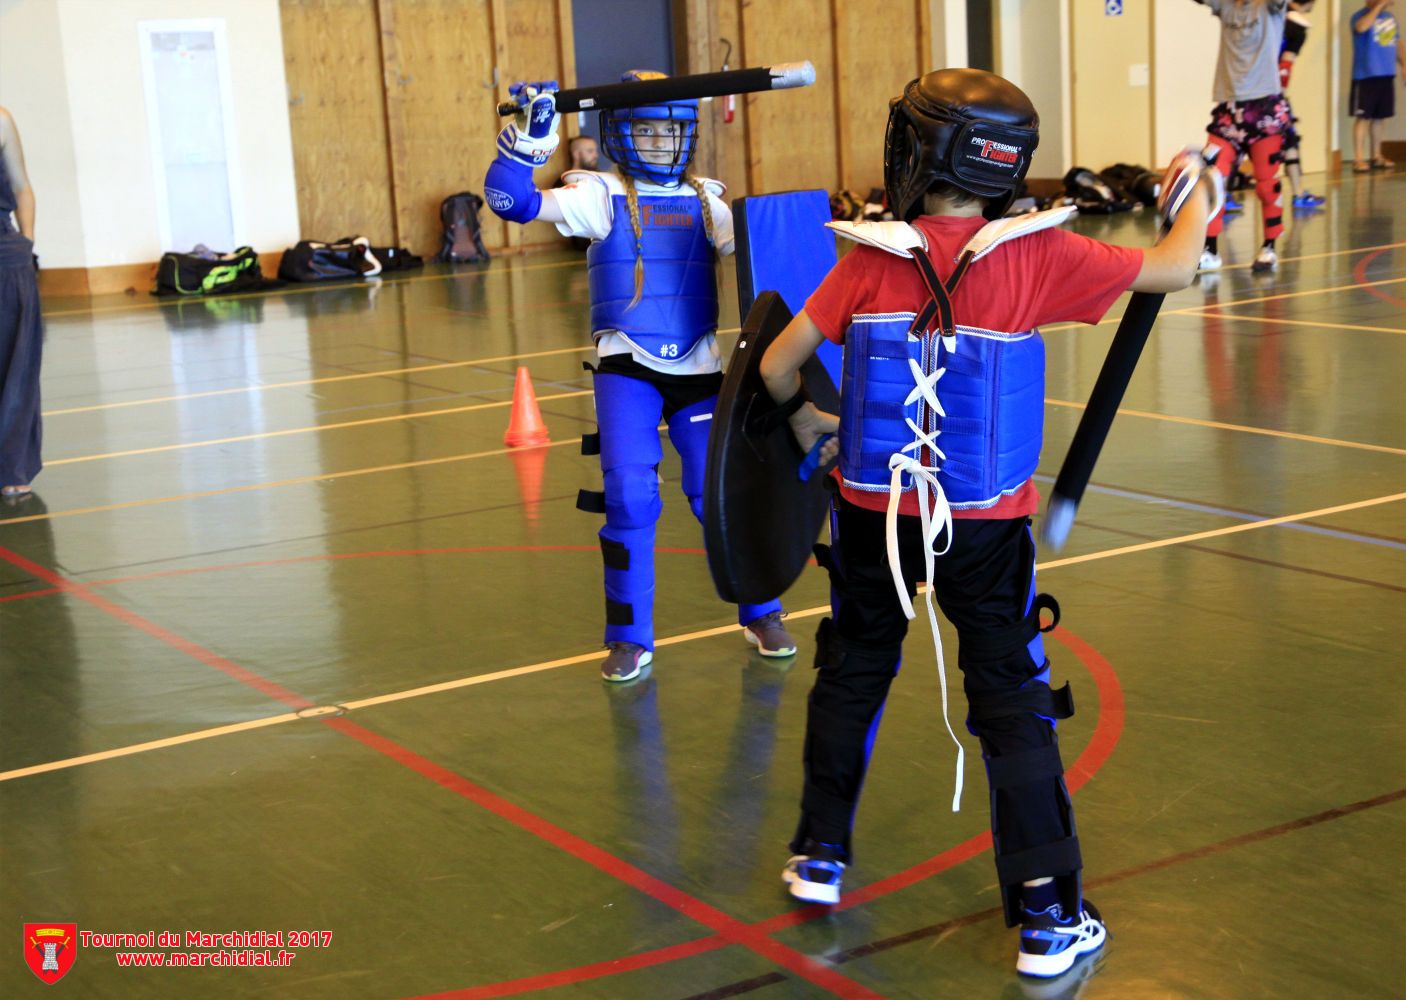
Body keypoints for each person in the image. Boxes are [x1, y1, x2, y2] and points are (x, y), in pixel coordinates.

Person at [758, 69, 1215, 979]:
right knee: (1010, 698)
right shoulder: (1041, 257)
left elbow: (775, 369)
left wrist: (814, 423)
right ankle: (1048, 917)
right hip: (982, 527)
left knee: (853, 671)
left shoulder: (866, 261)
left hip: (868, 517)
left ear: (917, 152)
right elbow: (1177, 265)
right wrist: (1196, 194)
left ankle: (819, 854)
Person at [482, 73, 795, 683]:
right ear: (621, 133)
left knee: (720, 494)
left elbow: (771, 257)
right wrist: (527, 143)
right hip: (627, 365)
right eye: (647, 128)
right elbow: (512, 204)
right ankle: (629, 637)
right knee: (629, 496)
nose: (660, 141)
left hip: (702, 370)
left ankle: (762, 611)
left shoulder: (708, 199)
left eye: (672, 129)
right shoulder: (599, 194)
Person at [1192, 0, 1291, 274]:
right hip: (1229, 109)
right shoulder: (1225, 6)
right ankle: (1210, 250)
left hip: (1265, 108)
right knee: (1212, 180)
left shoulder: (1270, 7)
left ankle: (1269, 247)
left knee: (1266, 183)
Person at [0, 104, 42, 500]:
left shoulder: (1, 119)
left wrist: (26, 245)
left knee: (15, 365)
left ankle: (12, 465)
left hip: (6, 258)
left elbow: (22, 187)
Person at [1349, 0, 1406, 173]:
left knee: (1379, 117)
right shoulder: (1359, 16)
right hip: (1365, 75)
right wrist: (1378, 6)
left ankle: (1377, 155)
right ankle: (1358, 158)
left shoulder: (1391, 18)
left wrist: (1405, 65)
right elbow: (1361, 28)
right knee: (1363, 117)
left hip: (1386, 74)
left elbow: (1397, 42)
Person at [1279, 1, 1326, 210]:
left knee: (1289, 139)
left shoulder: (1270, 15)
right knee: (1288, 140)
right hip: (1269, 93)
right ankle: (1298, 193)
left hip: (1245, 86)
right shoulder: (1296, 28)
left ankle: (1299, 193)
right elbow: (1284, 68)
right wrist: (1279, 96)